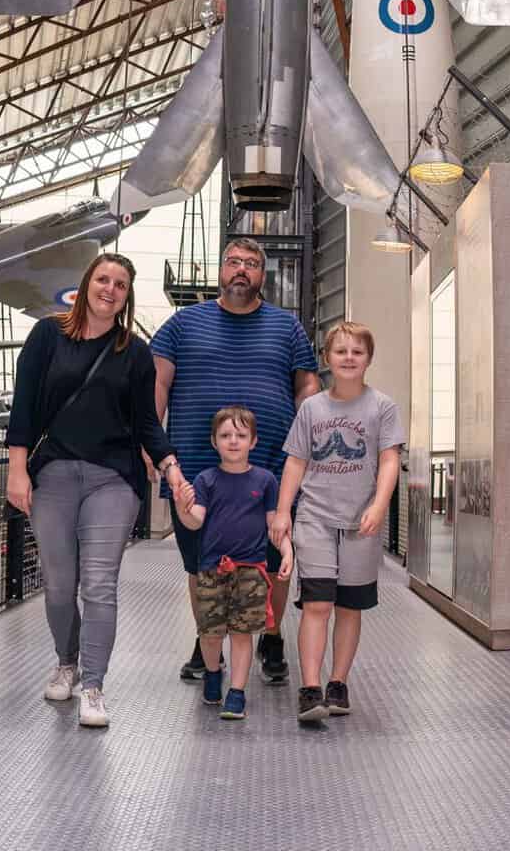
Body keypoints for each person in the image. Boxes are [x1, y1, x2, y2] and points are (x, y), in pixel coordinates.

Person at [6, 252, 190, 728]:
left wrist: (170, 467)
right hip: (53, 475)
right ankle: (66, 661)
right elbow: (24, 406)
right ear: (87, 283)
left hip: (113, 479)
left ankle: (93, 685)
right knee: (58, 584)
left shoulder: (135, 353)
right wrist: (17, 469)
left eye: (120, 285)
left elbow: (147, 423)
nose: (110, 289)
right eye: (103, 279)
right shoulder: (48, 335)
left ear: (127, 297)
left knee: (100, 584)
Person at [153, 237, 319, 685]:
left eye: (251, 263)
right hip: (195, 468)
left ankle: (271, 635)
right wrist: (153, 447)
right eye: (233, 262)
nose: (241, 269)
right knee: (200, 563)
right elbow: (158, 383)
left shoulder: (287, 327)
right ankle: (207, 639)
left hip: (271, 470)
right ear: (220, 270)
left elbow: (307, 386)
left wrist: (311, 441)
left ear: (263, 275)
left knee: (272, 561)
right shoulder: (183, 324)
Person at [274, 320, 403, 724]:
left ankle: (338, 682)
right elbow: (296, 462)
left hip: (360, 522)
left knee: (349, 606)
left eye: (357, 352)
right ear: (327, 358)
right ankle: (310, 688)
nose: (349, 358)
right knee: (317, 603)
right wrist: (283, 511)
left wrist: (379, 505)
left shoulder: (382, 407)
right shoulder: (312, 408)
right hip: (315, 517)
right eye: (341, 351)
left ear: (368, 359)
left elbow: (389, 460)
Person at [172, 407, 287, 720]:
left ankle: (237, 692)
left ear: (253, 441)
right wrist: (182, 508)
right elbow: (195, 521)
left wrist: (287, 550)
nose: (233, 441)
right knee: (210, 633)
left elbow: (274, 523)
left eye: (241, 435)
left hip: (251, 570)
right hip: (212, 569)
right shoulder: (206, 480)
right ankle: (213, 673)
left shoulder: (265, 481)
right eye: (225, 435)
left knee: (241, 633)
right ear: (214, 442)